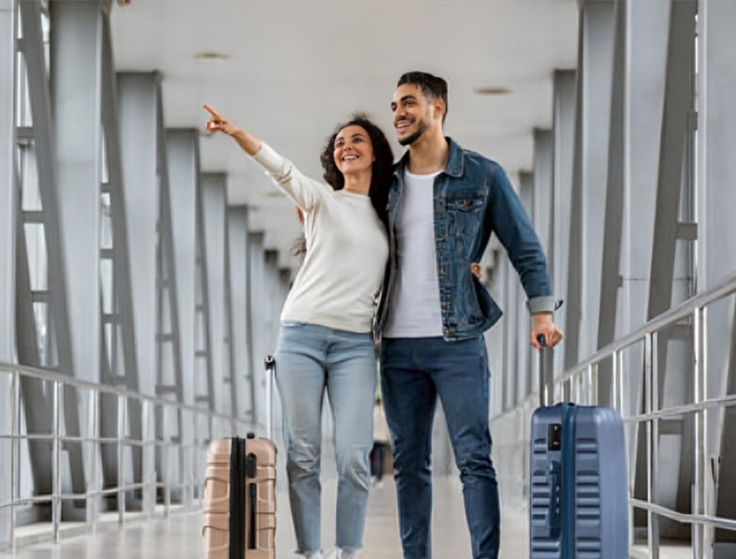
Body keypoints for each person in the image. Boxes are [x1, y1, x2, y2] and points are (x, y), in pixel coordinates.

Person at [375, 71, 564, 559]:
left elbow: (525, 248)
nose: (398, 112)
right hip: (396, 345)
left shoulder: (483, 175)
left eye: (409, 103)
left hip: (458, 339)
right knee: (410, 464)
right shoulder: (385, 184)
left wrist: (541, 313)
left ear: (438, 108)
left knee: (475, 459)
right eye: (394, 104)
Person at [205, 104, 394, 559]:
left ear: (375, 155)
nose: (346, 147)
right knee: (304, 455)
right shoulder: (319, 199)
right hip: (301, 337)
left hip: (354, 346)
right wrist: (236, 132)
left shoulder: (389, 217)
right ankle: (309, 553)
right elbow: (279, 168)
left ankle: (348, 550)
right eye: (339, 143)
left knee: (352, 455)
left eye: (357, 140)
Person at [370, 397, 389, 488]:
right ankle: (379, 478)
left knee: (372, 458)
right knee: (381, 459)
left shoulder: (372, 412)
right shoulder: (384, 413)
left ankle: (373, 476)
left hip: (374, 437)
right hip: (382, 438)